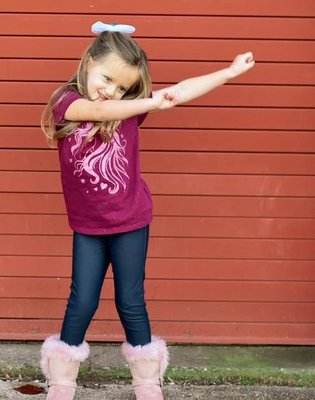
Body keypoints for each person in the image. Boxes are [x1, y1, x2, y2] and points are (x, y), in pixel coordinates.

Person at [37, 22, 255, 400]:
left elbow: (181, 92)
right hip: (88, 226)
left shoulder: (129, 109)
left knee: (130, 300)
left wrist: (230, 72)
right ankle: (61, 381)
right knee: (83, 299)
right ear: (88, 63)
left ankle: (147, 383)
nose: (112, 91)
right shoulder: (66, 102)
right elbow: (95, 108)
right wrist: (152, 101)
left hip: (131, 220)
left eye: (122, 87)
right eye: (107, 78)